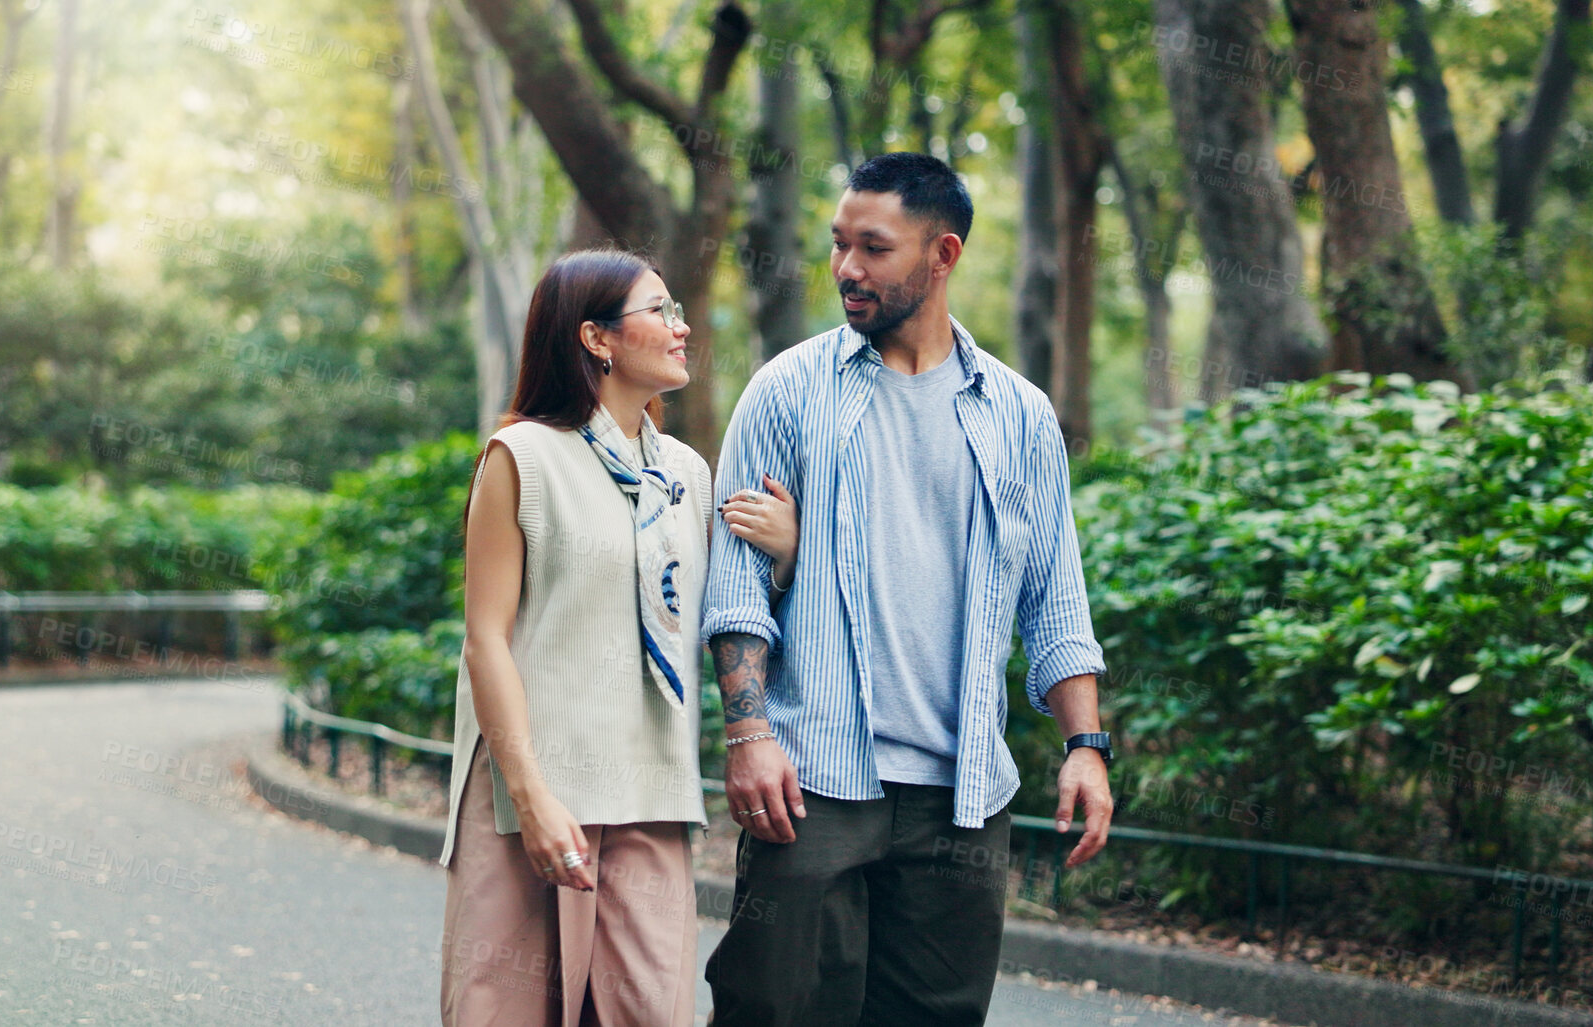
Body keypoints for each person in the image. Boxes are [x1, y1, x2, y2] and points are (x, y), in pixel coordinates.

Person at [701, 152, 1117, 1026]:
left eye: (874, 248)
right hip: (812, 781)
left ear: (943, 254)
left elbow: (1054, 598)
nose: (847, 268)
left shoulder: (1018, 415)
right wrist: (748, 733)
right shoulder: (787, 392)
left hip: (962, 795)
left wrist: (1087, 745)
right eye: (839, 244)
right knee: (775, 1010)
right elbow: (735, 584)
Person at [439, 249, 801, 1026]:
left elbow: (714, 611)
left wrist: (789, 550)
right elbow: (484, 641)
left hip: (650, 785)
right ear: (597, 339)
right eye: (660, 311)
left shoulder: (685, 473)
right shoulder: (523, 458)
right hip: (533, 783)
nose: (682, 326)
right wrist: (531, 796)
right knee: (505, 1011)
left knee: (648, 1011)